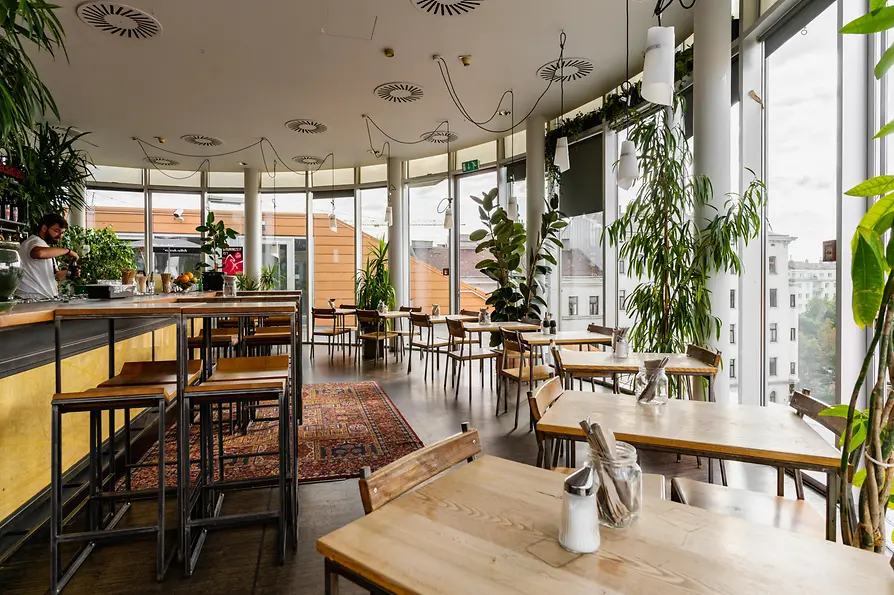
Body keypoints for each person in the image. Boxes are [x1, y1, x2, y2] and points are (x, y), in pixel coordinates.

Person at [16, 213, 78, 300]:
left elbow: (56, 275)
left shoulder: (45, 247)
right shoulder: (33, 241)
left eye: (62, 232)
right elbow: (39, 253)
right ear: (44, 228)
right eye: (57, 231)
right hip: (31, 298)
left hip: (42, 298)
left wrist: (69, 273)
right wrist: (67, 251)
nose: (60, 236)